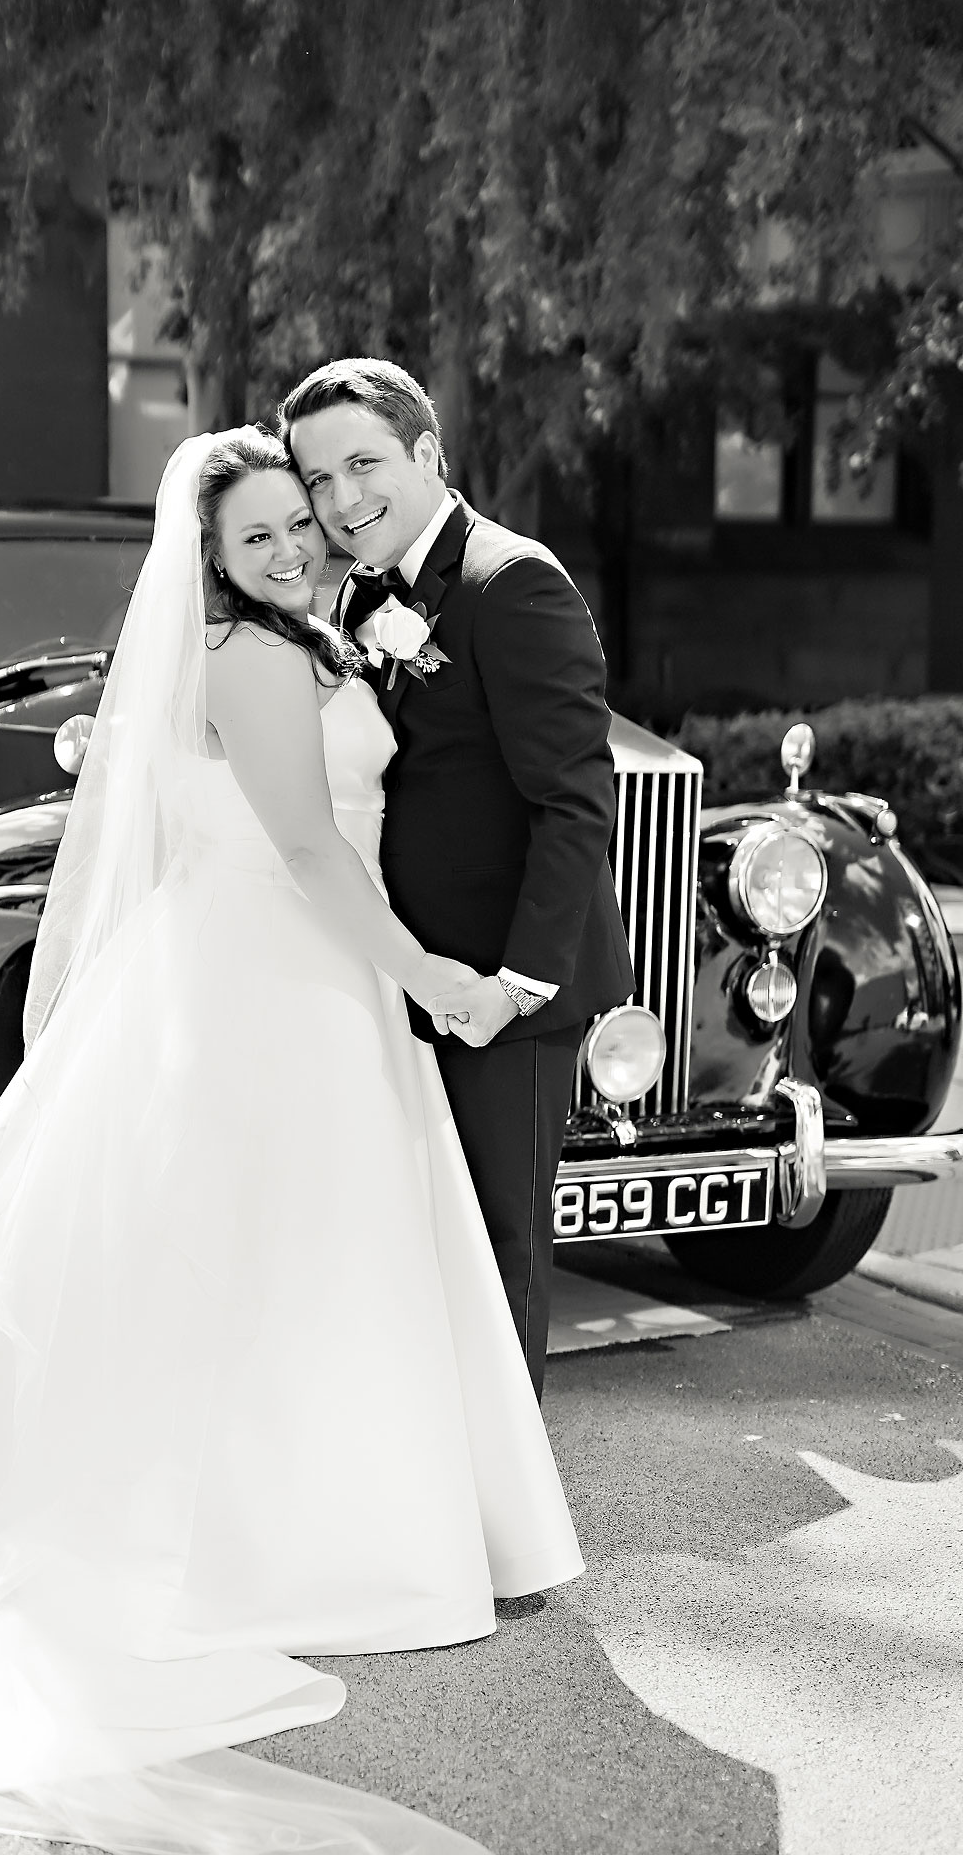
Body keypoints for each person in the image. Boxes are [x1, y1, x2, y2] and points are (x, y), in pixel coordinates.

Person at [0, 428, 584, 1855]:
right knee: (292, 1257)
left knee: (288, 1265)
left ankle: (309, 1522)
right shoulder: (256, 656)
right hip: (279, 970)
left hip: (301, 970)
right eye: (255, 537)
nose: (291, 547)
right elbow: (307, 849)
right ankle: (287, 1544)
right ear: (206, 562)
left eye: (299, 522)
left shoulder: (297, 636)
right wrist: (434, 979)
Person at [282, 360, 634, 1399]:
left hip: (496, 992)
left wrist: (513, 987)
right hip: (396, 975)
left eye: (363, 464)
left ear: (427, 453)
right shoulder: (356, 591)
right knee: (409, 1241)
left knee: (497, 1248)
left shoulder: (510, 581)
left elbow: (575, 803)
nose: (341, 499)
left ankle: (505, 1491)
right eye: (318, 479)